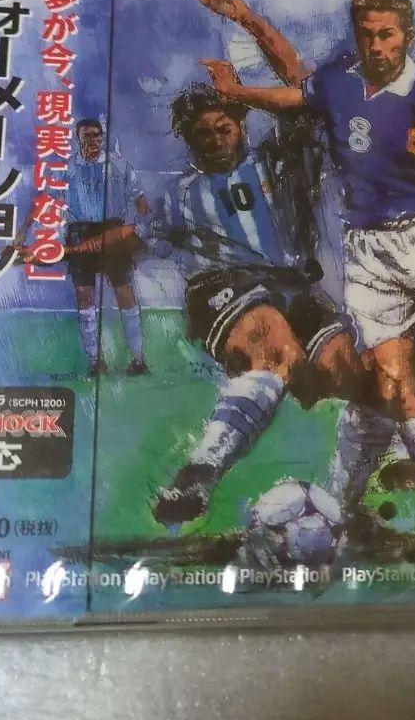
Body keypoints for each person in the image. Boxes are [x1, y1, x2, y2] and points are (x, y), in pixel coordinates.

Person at [196, 0, 415, 533]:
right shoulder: (341, 82)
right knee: (394, 388)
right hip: (371, 257)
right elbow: (296, 86)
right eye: (367, 35)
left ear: (408, 36)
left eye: (387, 35)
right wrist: (242, 38)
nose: (376, 46)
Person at [146, 81, 381, 526]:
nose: (216, 141)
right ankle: (198, 475)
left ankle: (341, 507)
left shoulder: (280, 162)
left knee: (353, 375)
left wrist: (241, 85)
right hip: (224, 287)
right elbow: (139, 238)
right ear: (189, 139)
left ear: (242, 125)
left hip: (295, 289)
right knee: (275, 351)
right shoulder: (179, 197)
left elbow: (305, 100)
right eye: (203, 134)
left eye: (224, 128)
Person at [63, 118, 149, 376]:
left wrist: (141, 224)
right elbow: (48, 199)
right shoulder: (67, 169)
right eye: (87, 136)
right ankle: (95, 360)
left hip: (112, 230)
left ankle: (138, 358)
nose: (93, 140)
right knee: (84, 296)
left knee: (124, 291)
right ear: (78, 139)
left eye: (97, 135)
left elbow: (139, 198)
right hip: (80, 233)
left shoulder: (119, 165)